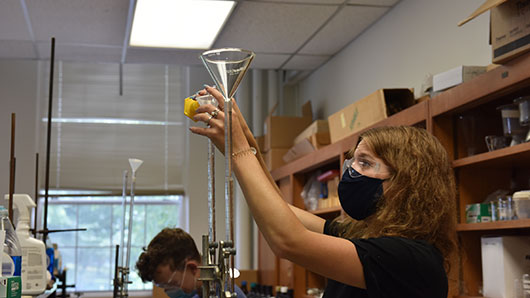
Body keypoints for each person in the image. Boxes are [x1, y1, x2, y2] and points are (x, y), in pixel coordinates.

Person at [189, 85, 458, 298]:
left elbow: (288, 240)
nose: (350, 170)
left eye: (364, 162)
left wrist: (239, 151)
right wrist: (247, 142)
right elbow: (284, 213)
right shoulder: (361, 236)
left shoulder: (411, 259)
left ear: (405, 182)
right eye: (352, 161)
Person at [136, 227, 247, 298]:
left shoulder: (228, 295)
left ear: (193, 268)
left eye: (174, 284)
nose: (169, 293)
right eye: (166, 287)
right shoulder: (198, 295)